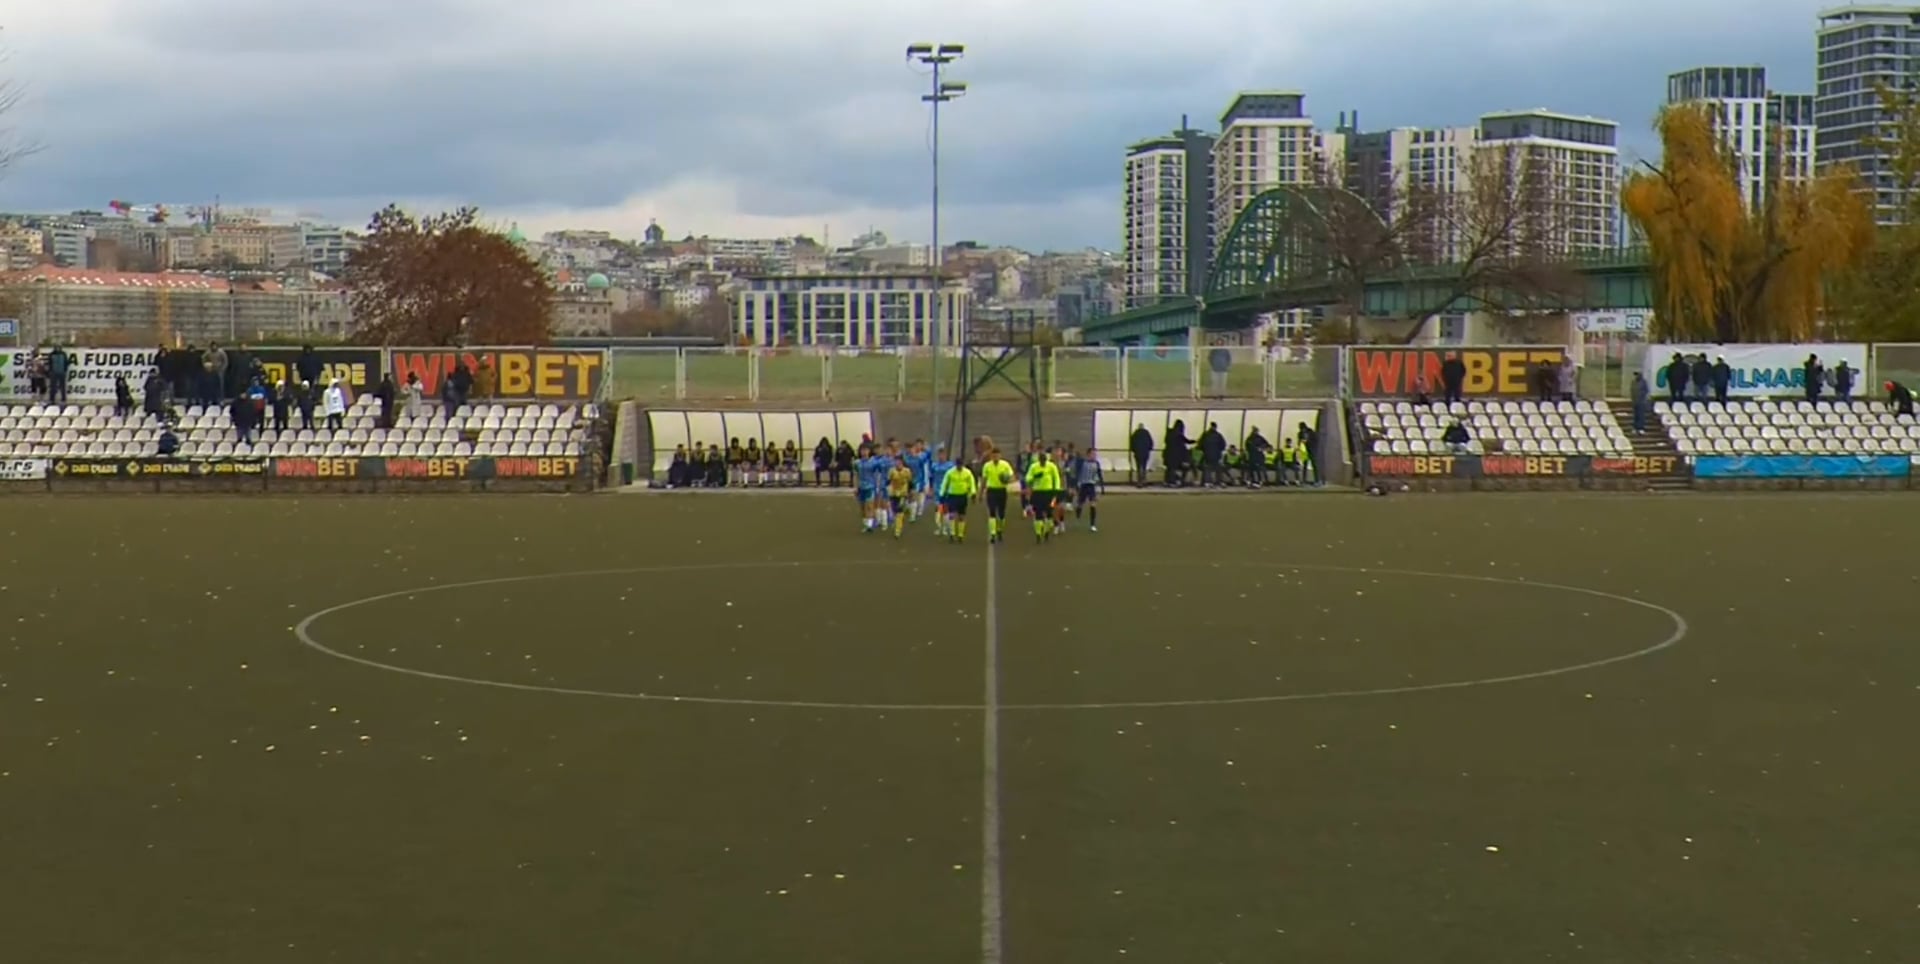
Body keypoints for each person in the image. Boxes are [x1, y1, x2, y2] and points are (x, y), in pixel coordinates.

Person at [1023, 450, 1064, 543]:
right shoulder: (1034, 467)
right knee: (1038, 513)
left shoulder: (1051, 466)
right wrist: (1035, 477)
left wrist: (1056, 490)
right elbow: (1027, 478)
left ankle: (1046, 531)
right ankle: (1038, 534)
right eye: (1041, 460)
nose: (1043, 462)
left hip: (1049, 492)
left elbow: (1056, 478)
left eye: (1044, 460)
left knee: (1049, 513)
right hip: (1037, 492)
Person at [980, 447, 1016, 544]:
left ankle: (999, 530)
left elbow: (1013, 477)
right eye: (993, 455)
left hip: (1001, 490)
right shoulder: (987, 466)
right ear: (991, 456)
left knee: (1001, 513)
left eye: (997, 455)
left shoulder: (1005, 465)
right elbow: (984, 480)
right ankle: (993, 533)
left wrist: (1007, 479)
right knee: (992, 512)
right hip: (991, 490)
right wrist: (980, 492)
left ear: (1000, 455)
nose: (995, 457)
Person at [938, 458, 977, 543]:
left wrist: (973, 493)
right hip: (952, 495)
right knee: (952, 514)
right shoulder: (950, 472)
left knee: (961, 516)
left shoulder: (967, 473)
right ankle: (952, 533)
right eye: (958, 465)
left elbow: (971, 483)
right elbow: (945, 483)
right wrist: (942, 493)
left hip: (963, 496)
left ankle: (960, 535)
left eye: (960, 465)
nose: (959, 466)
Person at [1070, 448, 1105, 532]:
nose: (1094, 456)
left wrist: (1102, 487)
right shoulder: (1082, 462)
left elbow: (1099, 474)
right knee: (1080, 504)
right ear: (1088, 454)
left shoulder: (1096, 463)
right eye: (1093, 454)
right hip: (1083, 485)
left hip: (1091, 485)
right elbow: (1075, 472)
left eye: (1095, 454)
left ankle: (1092, 524)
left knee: (1093, 504)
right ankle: (1078, 514)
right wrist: (1074, 485)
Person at [927, 444, 956, 536]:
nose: (941, 457)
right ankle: (939, 527)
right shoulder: (934, 466)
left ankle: (945, 528)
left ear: (946, 455)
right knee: (938, 509)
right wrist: (930, 489)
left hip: (947, 490)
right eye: (940, 455)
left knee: (945, 509)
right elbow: (931, 478)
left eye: (943, 455)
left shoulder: (950, 466)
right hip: (937, 490)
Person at [903, 440, 932, 523]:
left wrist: (924, 481)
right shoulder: (906, 458)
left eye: (912, 448)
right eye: (908, 449)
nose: (910, 450)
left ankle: (913, 515)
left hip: (917, 480)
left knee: (914, 496)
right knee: (908, 497)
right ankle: (911, 510)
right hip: (908, 480)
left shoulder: (920, 458)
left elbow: (928, 456)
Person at [887, 456, 915, 538]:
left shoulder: (907, 471)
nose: (897, 464)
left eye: (899, 462)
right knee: (894, 510)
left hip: (903, 494)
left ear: (902, 463)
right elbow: (888, 481)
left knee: (899, 511)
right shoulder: (891, 471)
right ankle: (898, 522)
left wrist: (911, 492)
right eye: (896, 462)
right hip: (893, 494)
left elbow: (910, 483)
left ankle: (897, 531)